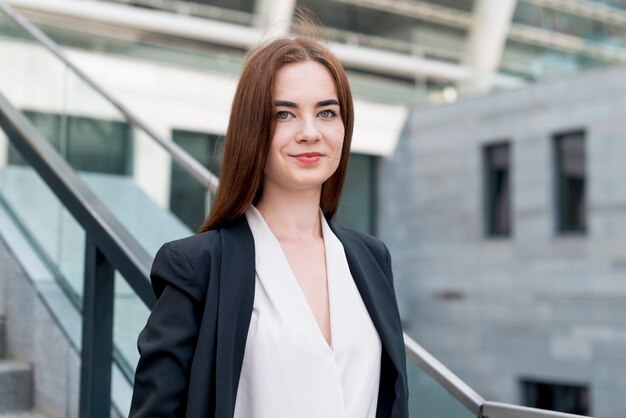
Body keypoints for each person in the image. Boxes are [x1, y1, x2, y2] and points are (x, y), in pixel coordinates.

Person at [129, 34, 408, 418]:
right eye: (284, 114)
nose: (310, 132)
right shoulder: (196, 266)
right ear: (252, 129)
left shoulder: (371, 258)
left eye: (327, 112)